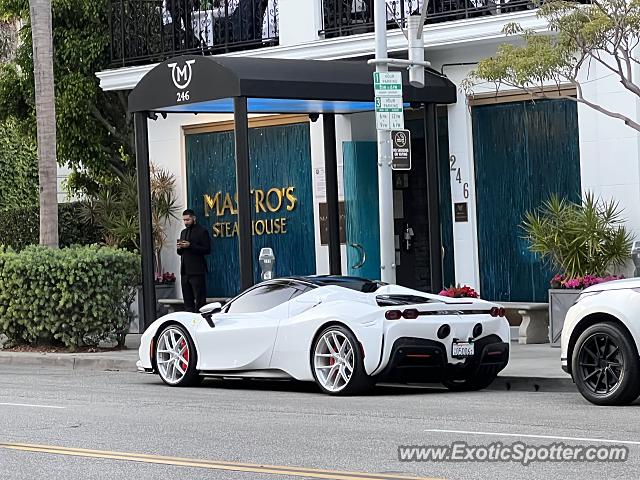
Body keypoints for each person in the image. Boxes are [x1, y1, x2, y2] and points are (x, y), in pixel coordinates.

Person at [177, 209, 211, 312]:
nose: (186, 222)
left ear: (194, 218)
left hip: (197, 271)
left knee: (200, 300)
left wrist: (190, 245)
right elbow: (180, 253)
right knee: (187, 301)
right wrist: (179, 248)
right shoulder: (183, 232)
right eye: (184, 220)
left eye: (188, 219)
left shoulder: (202, 231)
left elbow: (207, 249)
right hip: (185, 272)